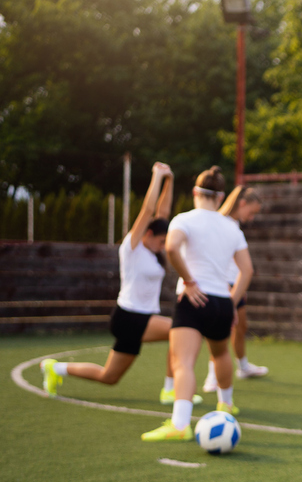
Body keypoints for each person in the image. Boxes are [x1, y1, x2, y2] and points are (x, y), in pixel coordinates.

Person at [40, 162, 201, 403]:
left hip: (139, 319)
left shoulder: (153, 250)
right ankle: (170, 390)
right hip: (129, 317)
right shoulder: (132, 247)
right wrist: (156, 176)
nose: (163, 246)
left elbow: (162, 213)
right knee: (178, 331)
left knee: (109, 377)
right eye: (160, 241)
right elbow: (148, 211)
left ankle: (56, 368)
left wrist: (170, 180)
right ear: (147, 234)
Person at [142, 166, 254, 441]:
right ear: (220, 196)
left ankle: (180, 424)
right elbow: (247, 270)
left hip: (193, 300)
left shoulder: (184, 220)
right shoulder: (231, 227)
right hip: (221, 302)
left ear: (195, 192)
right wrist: (232, 302)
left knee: (183, 364)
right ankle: (225, 403)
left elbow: (170, 247)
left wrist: (189, 281)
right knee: (221, 355)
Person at [200, 186, 267, 392]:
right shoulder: (219, 223)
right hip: (221, 285)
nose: (252, 217)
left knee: (241, 326)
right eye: (252, 212)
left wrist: (240, 285)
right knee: (221, 330)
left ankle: (243, 366)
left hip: (235, 282)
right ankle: (212, 375)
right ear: (243, 203)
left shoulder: (234, 225)